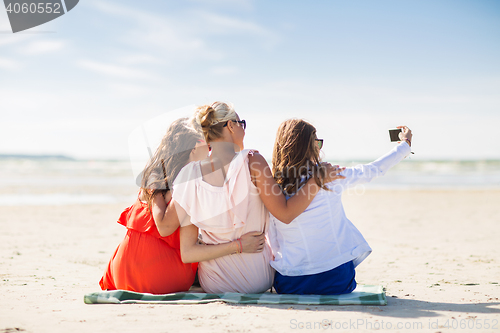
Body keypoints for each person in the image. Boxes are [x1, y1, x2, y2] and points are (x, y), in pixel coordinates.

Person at [161, 102, 344, 294]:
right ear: (231, 126)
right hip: (258, 281)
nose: (244, 130)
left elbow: (183, 248)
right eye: (242, 124)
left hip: (214, 284)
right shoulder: (252, 162)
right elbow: (286, 214)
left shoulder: (189, 175)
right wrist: (316, 180)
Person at [99, 118, 264, 294]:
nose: (211, 153)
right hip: (162, 277)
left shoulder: (157, 175)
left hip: (123, 273)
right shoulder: (189, 181)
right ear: (194, 148)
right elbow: (164, 228)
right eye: (208, 147)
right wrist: (238, 245)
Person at [268, 119, 413, 295]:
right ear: (308, 145)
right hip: (336, 281)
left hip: (291, 283)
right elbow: (373, 170)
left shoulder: (271, 186)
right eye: (317, 142)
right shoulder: (331, 176)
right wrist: (405, 145)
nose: (319, 147)